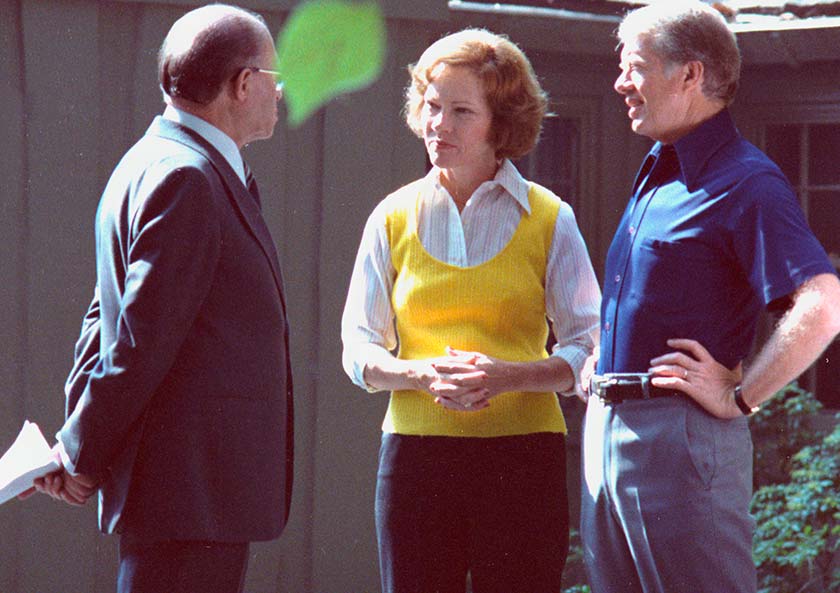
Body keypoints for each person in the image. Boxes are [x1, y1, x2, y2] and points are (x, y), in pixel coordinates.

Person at [580, 3, 840, 593]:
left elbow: (823, 303)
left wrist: (741, 395)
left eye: (636, 67)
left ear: (690, 75)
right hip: (610, 429)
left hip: (680, 440)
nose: (621, 82)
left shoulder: (747, 179)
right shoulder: (658, 169)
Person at [33, 5, 294, 592]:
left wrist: (80, 440)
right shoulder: (188, 177)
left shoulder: (151, 162)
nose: (279, 94)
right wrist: (78, 452)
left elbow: (106, 317)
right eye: (274, 80)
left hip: (192, 500)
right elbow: (137, 340)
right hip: (191, 500)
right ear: (243, 84)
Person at [341, 28, 600, 593]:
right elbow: (358, 350)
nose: (439, 125)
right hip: (414, 459)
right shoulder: (391, 217)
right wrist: (420, 373)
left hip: (523, 459)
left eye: (461, 111)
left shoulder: (550, 219)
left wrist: (509, 377)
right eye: (432, 106)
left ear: (501, 122)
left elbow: (589, 347)